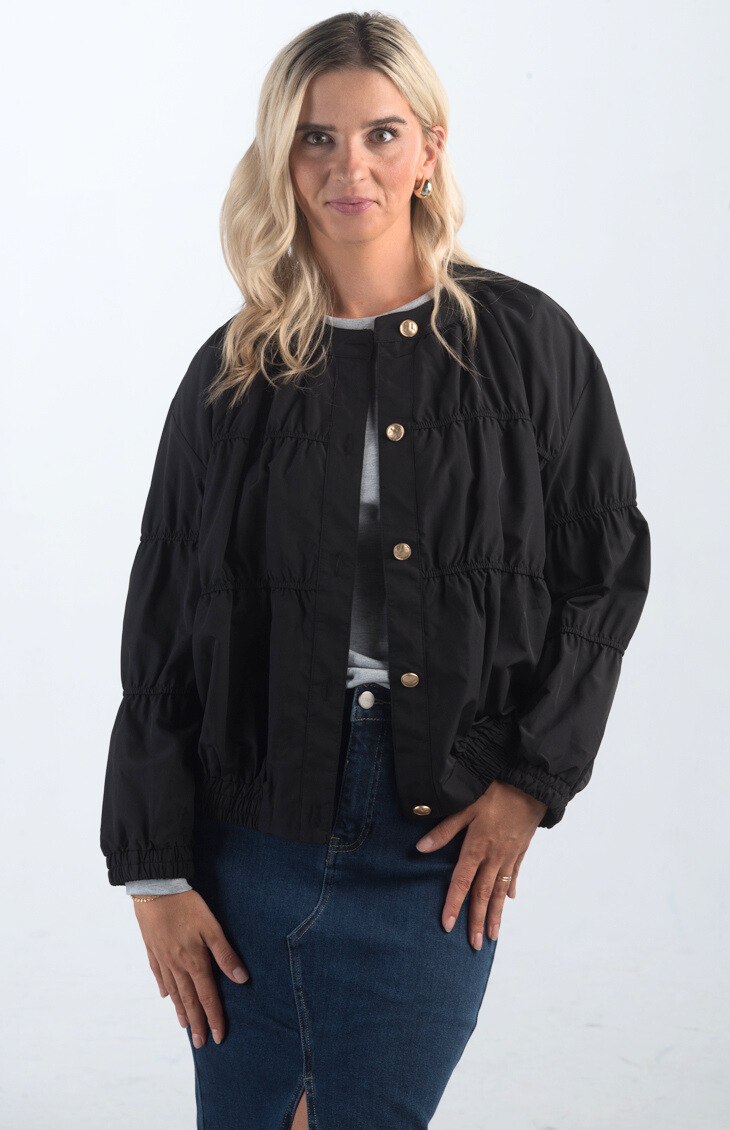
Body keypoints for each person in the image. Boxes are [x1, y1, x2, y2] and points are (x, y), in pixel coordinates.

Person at [99, 12, 651, 1130]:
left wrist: (528, 782)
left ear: (429, 149)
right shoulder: (233, 374)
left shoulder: (526, 346)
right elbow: (162, 627)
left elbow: (606, 576)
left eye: (380, 134)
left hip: (433, 835)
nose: (349, 166)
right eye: (316, 137)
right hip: (249, 835)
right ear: (281, 157)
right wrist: (154, 872)